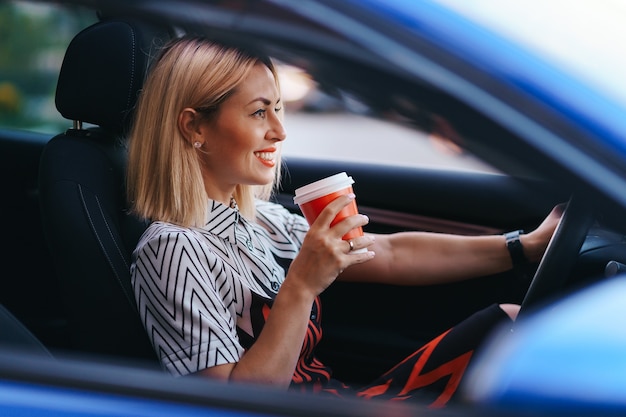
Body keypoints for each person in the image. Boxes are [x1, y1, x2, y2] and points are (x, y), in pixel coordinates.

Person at [126, 36, 561, 408]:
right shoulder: (172, 249)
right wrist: (300, 285)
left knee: (509, 324)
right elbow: (231, 406)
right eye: (260, 112)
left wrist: (523, 247)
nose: (280, 131)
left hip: (333, 400)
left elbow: (389, 253)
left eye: (278, 109)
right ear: (194, 127)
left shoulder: (259, 221)